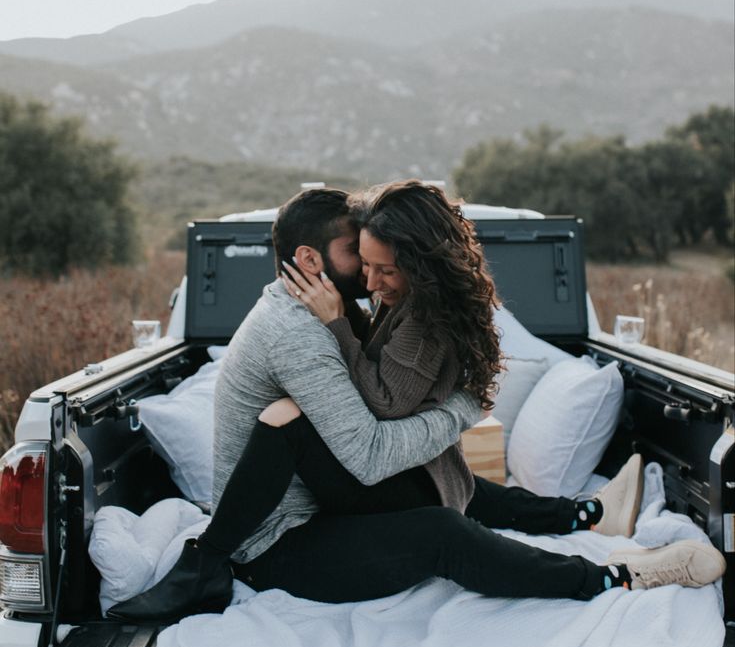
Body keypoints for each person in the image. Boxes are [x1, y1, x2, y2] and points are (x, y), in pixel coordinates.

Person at [108, 185, 726, 624]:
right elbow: (371, 456)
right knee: (439, 530)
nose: (375, 273)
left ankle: (581, 517)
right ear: (309, 260)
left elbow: (377, 410)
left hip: (322, 499)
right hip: (281, 544)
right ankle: (614, 575)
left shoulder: (317, 305)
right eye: (359, 254)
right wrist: (460, 410)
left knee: (438, 477)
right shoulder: (299, 333)